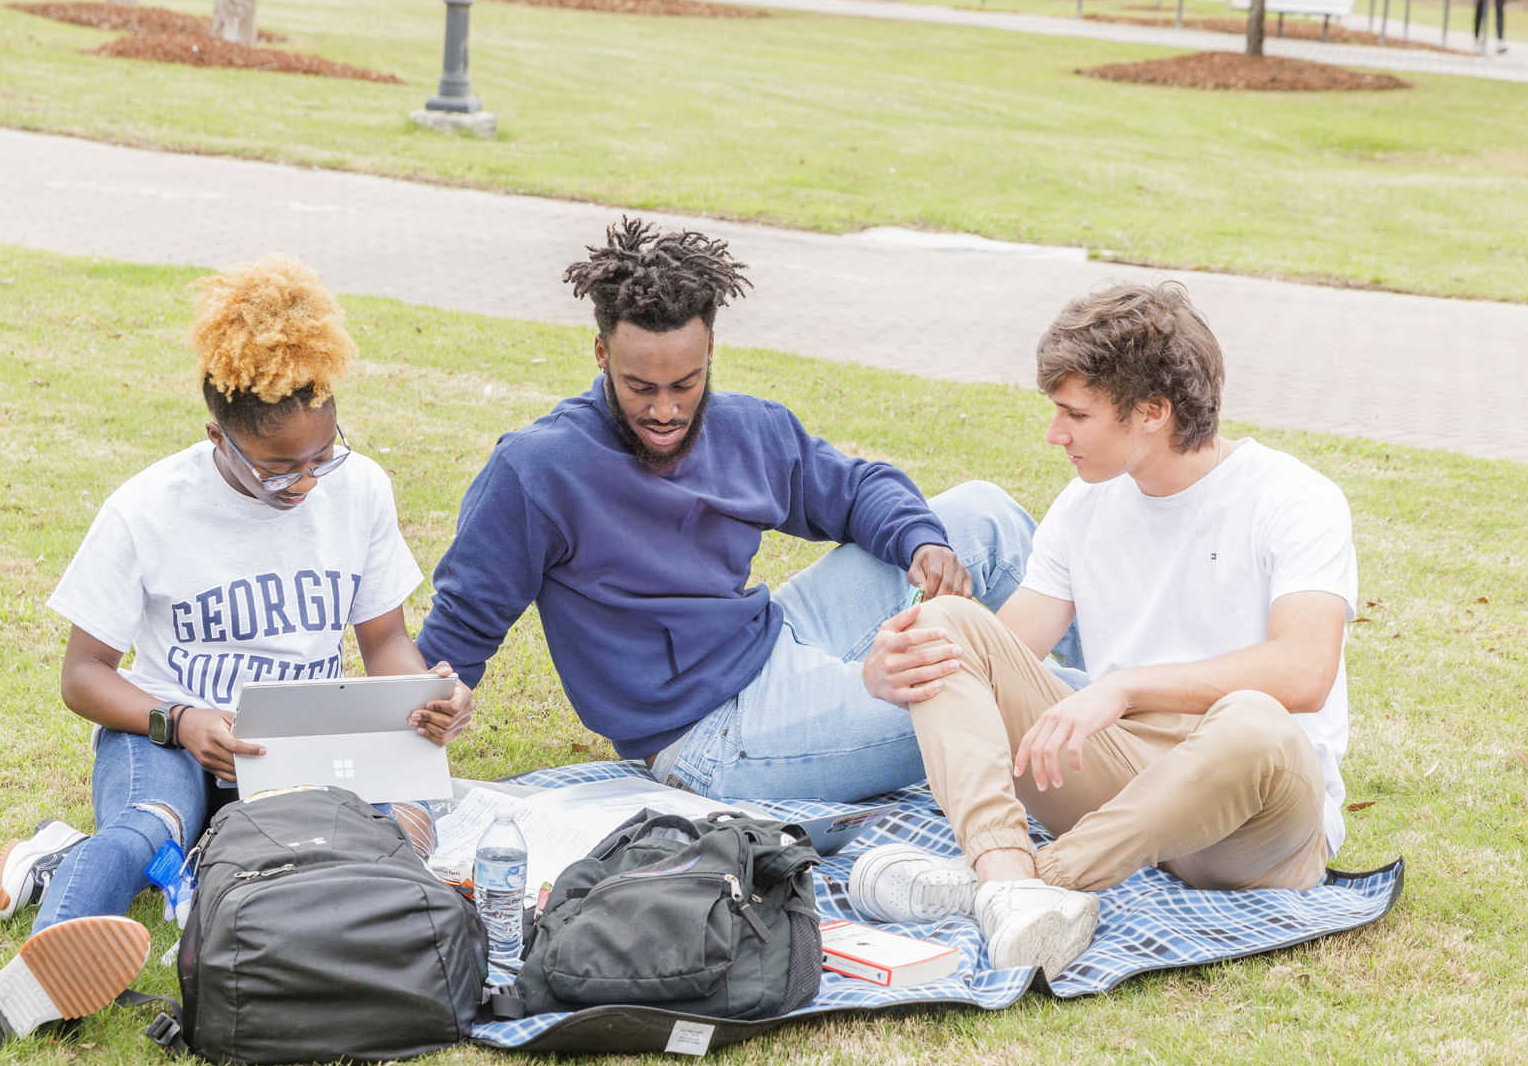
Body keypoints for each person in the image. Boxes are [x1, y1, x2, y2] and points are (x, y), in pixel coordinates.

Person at [0, 253, 475, 1044]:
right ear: (217, 438)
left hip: (297, 746)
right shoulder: (148, 510)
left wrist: (430, 696)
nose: (303, 485)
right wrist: (180, 721)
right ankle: (40, 974)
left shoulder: (360, 488)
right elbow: (83, 676)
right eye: (275, 470)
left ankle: (73, 862)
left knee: (395, 829)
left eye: (320, 458)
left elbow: (387, 643)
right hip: (169, 736)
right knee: (149, 827)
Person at [416, 217, 1083, 808]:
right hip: (709, 737)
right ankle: (1139, 728)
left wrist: (920, 542)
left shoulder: (746, 430)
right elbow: (462, 625)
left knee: (983, 514)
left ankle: (1117, 689)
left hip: (774, 638)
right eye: (639, 386)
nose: (665, 410)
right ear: (601, 356)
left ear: (710, 354)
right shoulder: (538, 471)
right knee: (986, 689)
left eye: (685, 383)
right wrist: (432, 709)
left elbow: (854, 490)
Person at [852, 282, 1356, 979]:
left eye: (1074, 414)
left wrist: (1121, 688)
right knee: (944, 626)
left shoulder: (1294, 498)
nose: (1054, 435)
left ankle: (1031, 884)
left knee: (1253, 719)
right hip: (1123, 785)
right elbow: (997, 653)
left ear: (1153, 411)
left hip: (1255, 817)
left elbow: (1305, 672)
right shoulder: (1085, 503)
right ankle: (1002, 872)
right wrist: (896, 670)